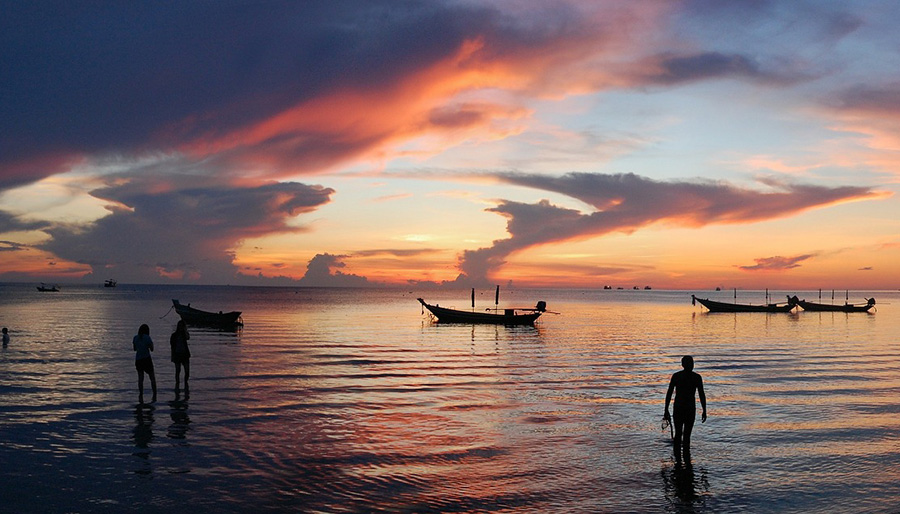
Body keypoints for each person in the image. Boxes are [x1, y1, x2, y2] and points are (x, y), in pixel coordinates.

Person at [664, 355, 707, 460]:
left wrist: (704, 410)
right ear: (683, 364)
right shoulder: (694, 377)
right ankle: (683, 461)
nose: (691, 365)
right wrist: (666, 410)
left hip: (683, 408)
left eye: (692, 363)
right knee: (683, 435)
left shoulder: (679, 376)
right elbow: (669, 393)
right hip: (685, 408)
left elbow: (701, 394)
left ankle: (680, 461)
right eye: (689, 363)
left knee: (682, 435)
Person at [133, 324, 157, 403]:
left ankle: (141, 395)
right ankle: (154, 394)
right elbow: (152, 349)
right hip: (146, 359)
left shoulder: (135, 338)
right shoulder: (147, 337)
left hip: (138, 360)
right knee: (152, 378)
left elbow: (135, 349)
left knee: (140, 379)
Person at [170, 320, 191, 391]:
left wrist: (185, 330)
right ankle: (177, 385)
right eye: (180, 326)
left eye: (182, 326)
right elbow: (172, 346)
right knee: (178, 371)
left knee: (187, 371)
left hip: (185, 354)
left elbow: (188, 337)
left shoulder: (184, 334)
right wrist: (173, 356)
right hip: (177, 354)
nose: (181, 327)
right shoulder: (174, 335)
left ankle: (186, 384)